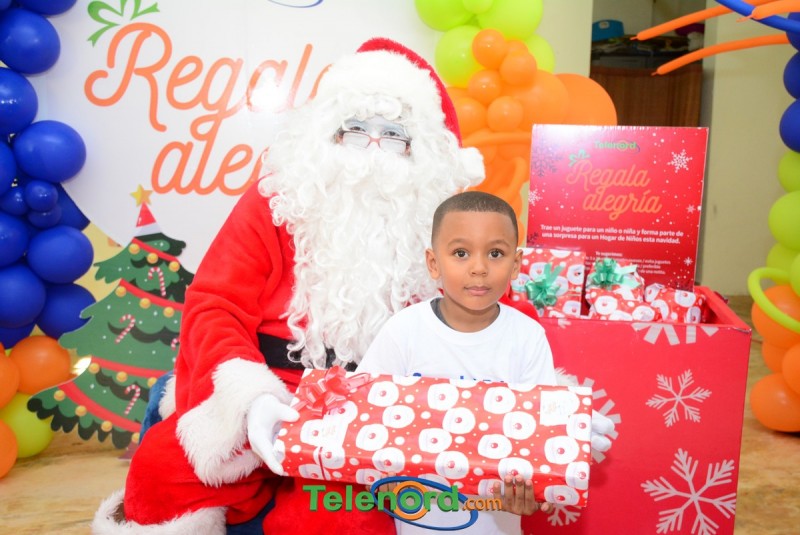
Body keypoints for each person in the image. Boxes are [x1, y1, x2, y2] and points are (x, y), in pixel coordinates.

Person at [92, 37, 485, 534]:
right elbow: (215, 303)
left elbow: (486, 310)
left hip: (371, 411)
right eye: (355, 130)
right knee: (162, 472)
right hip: (268, 386)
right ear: (324, 133)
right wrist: (250, 399)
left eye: (393, 135)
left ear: (422, 151)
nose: (371, 151)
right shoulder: (278, 198)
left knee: (338, 520)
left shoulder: (442, 223)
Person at [356, 191, 559, 534]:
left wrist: (535, 491)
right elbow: (364, 413)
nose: (479, 268)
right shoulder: (404, 330)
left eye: (495, 253)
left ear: (516, 264)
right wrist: (379, 475)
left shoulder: (527, 337)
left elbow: (543, 439)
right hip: (418, 523)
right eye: (461, 253)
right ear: (433, 262)